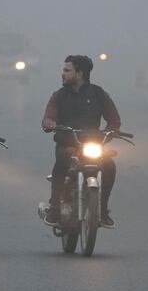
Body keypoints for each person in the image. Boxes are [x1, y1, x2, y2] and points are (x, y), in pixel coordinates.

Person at [42, 55, 121, 228]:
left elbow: (114, 120)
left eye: (67, 70)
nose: (62, 74)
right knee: (61, 163)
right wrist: (49, 123)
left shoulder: (99, 94)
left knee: (109, 166)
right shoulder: (59, 96)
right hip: (67, 146)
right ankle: (54, 207)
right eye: (64, 70)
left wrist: (110, 132)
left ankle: (102, 210)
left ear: (80, 73)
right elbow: (48, 118)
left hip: (93, 147)